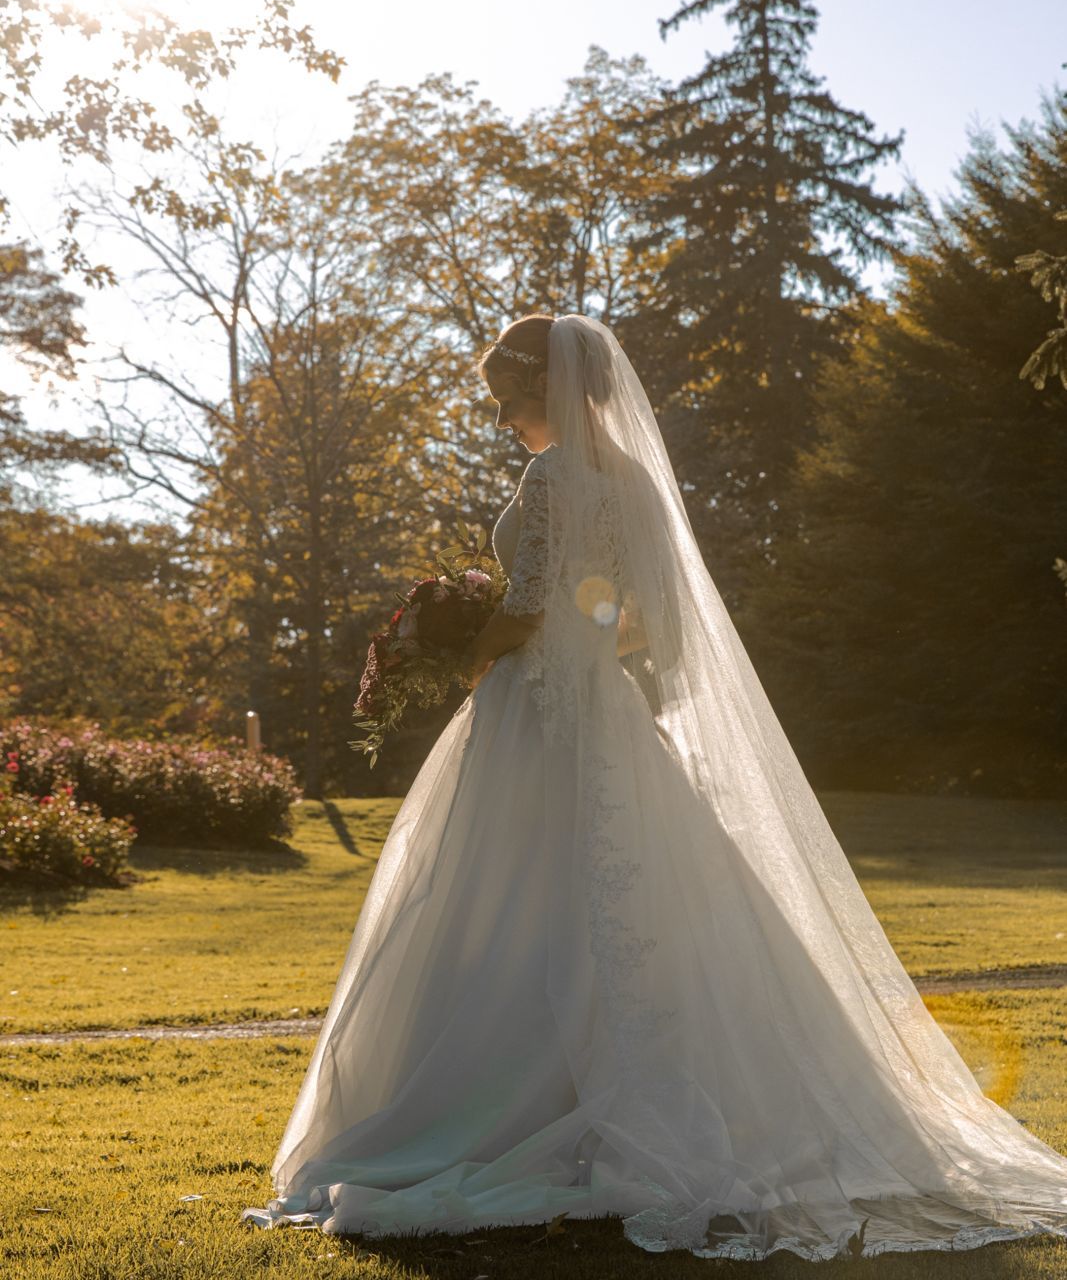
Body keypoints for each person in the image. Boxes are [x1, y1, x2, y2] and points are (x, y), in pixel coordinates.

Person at [242, 313, 1067, 1260]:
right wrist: (583, 650)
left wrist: (460, 654)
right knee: (624, 894)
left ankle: (503, 1110)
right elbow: (645, 628)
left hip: (537, 711)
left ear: (538, 388)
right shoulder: (634, 482)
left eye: (506, 398)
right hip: (607, 707)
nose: (504, 417)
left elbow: (527, 603)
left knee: (508, 892)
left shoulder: (553, 475)